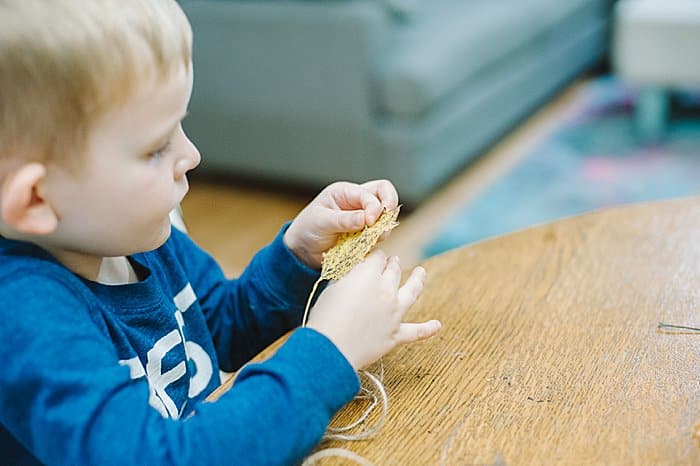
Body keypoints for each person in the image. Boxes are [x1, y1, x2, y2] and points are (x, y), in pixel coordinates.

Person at [0, 0, 442, 464]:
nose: (191, 155)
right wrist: (327, 353)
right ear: (36, 200)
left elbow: (219, 328)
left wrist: (298, 257)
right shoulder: (24, 316)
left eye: (181, 127)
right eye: (156, 147)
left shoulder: (131, 238)